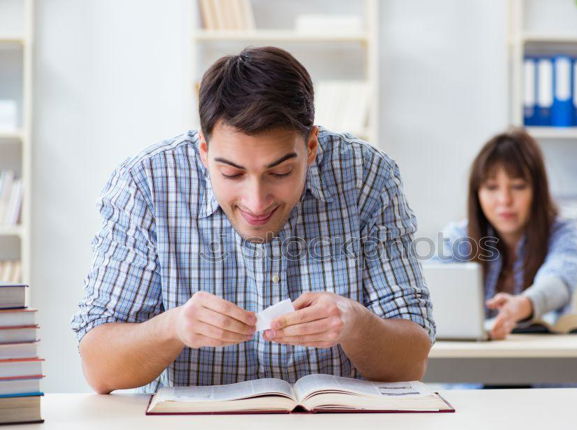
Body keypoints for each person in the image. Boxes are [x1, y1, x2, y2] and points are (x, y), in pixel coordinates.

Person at [71, 46, 434, 394]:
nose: (256, 202)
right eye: (232, 174)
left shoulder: (366, 176)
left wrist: (355, 325)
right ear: (204, 150)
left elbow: (411, 363)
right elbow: (100, 369)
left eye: (280, 172)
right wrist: (172, 327)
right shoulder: (146, 184)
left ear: (311, 147)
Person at [441, 129, 577, 340]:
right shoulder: (457, 236)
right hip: (472, 366)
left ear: (538, 191)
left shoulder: (565, 234)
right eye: (492, 187)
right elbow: (432, 285)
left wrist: (521, 306)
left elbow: (558, 281)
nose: (504, 200)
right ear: (477, 193)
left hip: (546, 362)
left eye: (518, 186)